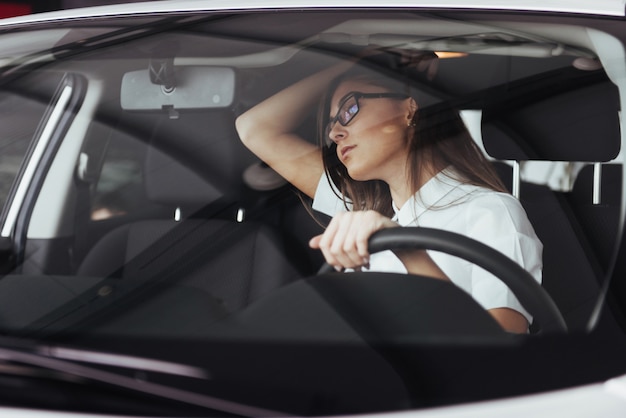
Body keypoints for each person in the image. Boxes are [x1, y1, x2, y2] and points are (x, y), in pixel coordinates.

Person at [235, 53, 542, 334]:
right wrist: (356, 60)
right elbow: (254, 128)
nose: (334, 134)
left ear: (409, 108)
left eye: (350, 108)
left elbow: (500, 350)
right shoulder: (365, 211)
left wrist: (409, 250)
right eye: (331, 124)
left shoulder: (491, 212)